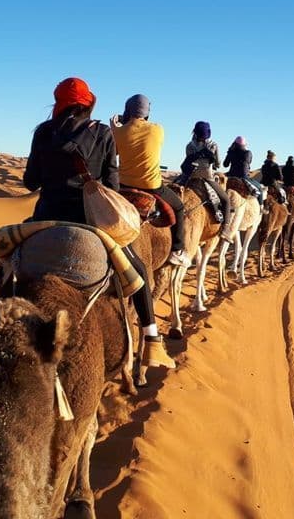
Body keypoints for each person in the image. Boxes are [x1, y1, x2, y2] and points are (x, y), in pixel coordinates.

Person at [24, 78, 174, 368]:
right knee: (139, 270)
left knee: (7, 262)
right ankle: (152, 338)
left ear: (58, 103)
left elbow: (30, 182)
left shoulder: (43, 132)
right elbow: (112, 185)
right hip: (90, 222)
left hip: (44, 219)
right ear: (88, 103)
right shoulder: (103, 133)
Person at [111, 94, 190, 267]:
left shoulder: (117, 132)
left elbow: (114, 153)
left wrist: (115, 127)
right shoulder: (157, 129)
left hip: (123, 186)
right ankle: (177, 250)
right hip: (152, 187)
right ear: (147, 112)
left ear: (127, 110)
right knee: (179, 207)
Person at [182, 121, 232, 241]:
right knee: (226, 200)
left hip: (190, 177)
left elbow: (188, 161)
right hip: (207, 178)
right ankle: (225, 229)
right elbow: (218, 164)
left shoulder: (189, 145)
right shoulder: (213, 145)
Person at [224, 137, 264, 201]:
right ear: (244, 144)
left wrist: (229, 153)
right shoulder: (248, 153)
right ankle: (261, 206)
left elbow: (225, 165)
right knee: (260, 188)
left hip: (231, 175)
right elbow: (248, 163)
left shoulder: (231, 152)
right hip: (243, 177)